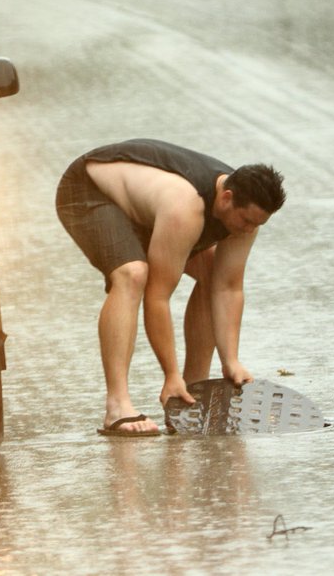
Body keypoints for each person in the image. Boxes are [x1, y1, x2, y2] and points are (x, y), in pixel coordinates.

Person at [55, 139, 286, 437]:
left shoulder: (245, 211)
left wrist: (231, 360)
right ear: (227, 198)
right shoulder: (185, 206)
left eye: (258, 224)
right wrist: (170, 373)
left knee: (212, 272)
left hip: (148, 209)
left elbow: (228, 287)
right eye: (246, 221)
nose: (249, 230)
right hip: (89, 190)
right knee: (133, 273)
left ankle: (193, 392)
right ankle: (117, 406)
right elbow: (158, 297)